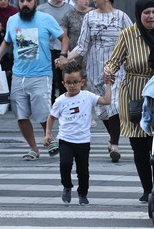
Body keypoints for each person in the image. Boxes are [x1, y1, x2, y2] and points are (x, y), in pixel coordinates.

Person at [59, 0, 133, 163]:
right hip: (94, 67)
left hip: (118, 67)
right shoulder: (90, 17)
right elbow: (82, 46)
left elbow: (132, 42)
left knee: (114, 103)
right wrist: (66, 58)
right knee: (102, 108)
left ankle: (115, 144)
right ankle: (112, 138)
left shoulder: (122, 17)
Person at [0, 0, 68, 161]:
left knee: (43, 113)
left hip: (41, 75)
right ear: (18, 2)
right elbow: (7, 41)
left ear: (35, 1)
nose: (25, 3)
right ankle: (34, 149)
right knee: (21, 115)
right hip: (19, 75)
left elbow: (63, 37)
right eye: (22, 0)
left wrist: (64, 54)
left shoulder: (45, 19)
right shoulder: (12, 20)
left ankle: (49, 138)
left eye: (29, 0)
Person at [102, 0, 154, 202]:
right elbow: (114, 61)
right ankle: (147, 189)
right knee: (139, 145)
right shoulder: (128, 34)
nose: (151, 16)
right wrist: (108, 72)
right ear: (139, 14)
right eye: (147, 13)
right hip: (134, 95)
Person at [43, 62, 112, 206]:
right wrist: (48, 133)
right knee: (65, 165)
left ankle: (83, 194)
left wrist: (108, 84)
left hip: (83, 141)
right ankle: (67, 186)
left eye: (75, 82)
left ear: (82, 82)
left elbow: (106, 101)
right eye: (68, 83)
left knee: (83, 171)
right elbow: (51, 117)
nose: (72, 86)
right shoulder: (60, 101)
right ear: (63, 83)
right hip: (65, 140)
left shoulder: (88, 96)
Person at [38, 0, 74, 102]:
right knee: (51, 77)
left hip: (64, 48)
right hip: (48, 48)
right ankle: (51, 102)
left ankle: (65, 101)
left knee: (64, 77)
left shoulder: (70, 9)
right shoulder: (42, 9)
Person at [60, 0, 93, 67]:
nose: (86, 1)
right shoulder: (68, 15)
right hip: (73, 56)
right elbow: (64, 37)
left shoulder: (94, 14)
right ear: (75, 0)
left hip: (91, 55)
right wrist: (67, 55)